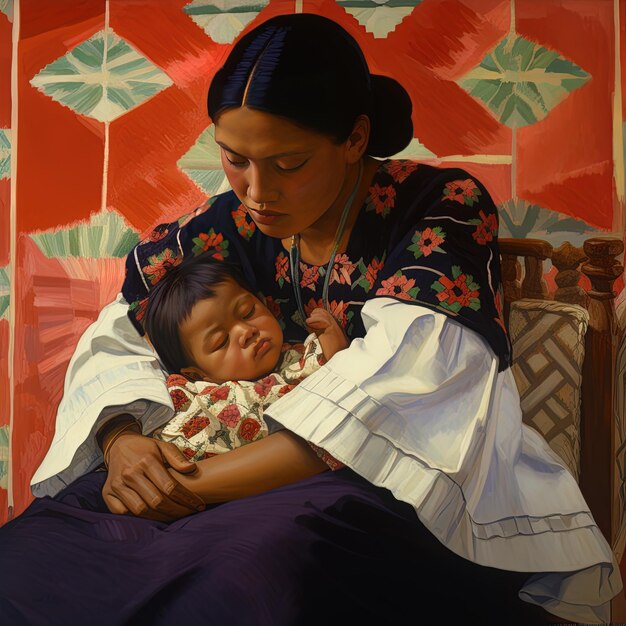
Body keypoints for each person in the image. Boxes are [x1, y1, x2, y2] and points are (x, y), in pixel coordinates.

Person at [0, 13, 620, 626]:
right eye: (235, 160)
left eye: (287, 164)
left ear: (354, 138)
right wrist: (124, 442)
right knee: (34, 553)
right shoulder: (228, 225)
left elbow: (399, 401)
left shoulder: (439, 207)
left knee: (250, 573)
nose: (256, 192)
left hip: (383, 482)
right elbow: (122, 330)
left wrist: (185, 487)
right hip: (209, 462)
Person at [140, 253, 346, 469]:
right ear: (197, 374)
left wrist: (330, 344)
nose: (246, 331)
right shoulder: (205, 402)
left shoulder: (296, 357)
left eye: (248, 312)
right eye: (220, 342)